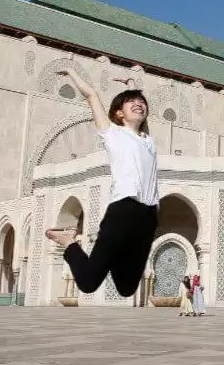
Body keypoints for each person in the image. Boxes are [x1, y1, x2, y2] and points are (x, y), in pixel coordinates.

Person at [45, 71, 159, 298]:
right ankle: (69, 243)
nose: (139, 104)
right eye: (131, 102)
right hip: (123, 211)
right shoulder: (112, 134)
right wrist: (71, 71)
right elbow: (91, 95)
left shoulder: (148, 141)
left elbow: (139, 108)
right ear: (119, 114)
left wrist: (132, 86)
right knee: (88, 282)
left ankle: (112, 253)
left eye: (142, 102)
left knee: (127, 289)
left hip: (149, 217)